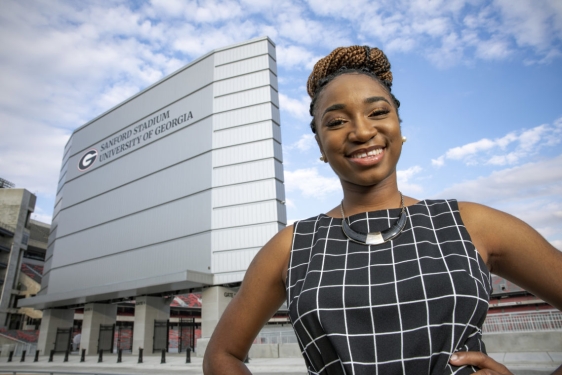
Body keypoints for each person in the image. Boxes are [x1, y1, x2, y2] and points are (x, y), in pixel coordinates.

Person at [203, 45, 562, 374]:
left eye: (377, 111)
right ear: (320, 145)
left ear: (399, 127)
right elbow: (222, 355)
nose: (361, 131)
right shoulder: (291, 246)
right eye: (337, 121)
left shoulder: (473, 223)